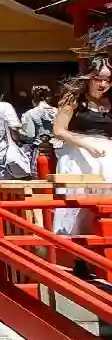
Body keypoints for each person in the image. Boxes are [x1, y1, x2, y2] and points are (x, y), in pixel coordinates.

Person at [51, 57, 112, 268]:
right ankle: (75, 257)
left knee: (101, 209)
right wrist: (85, 144)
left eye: (108, 80)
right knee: (75, 207)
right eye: (98, 79)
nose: (103, 84)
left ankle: (96, 255)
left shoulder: (110, 102)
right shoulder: (73, 100)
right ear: (88, 78)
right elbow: (58, 130)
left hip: (107, 158)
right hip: (78, 157)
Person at [20, 85, 58, 175]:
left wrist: (19, 133)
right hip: (57, 151)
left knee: (39, 178)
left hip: (39, 151)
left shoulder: (30, 113)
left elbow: (30, 135)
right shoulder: (58, 111)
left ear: (34, 98)